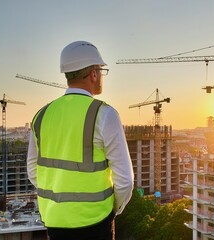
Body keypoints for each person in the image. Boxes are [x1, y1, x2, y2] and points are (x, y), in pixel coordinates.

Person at [27, 41, 134, 240]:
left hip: (54, 221)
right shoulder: (104, 114)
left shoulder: (42, 115)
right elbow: (125, 180)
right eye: (101, 71)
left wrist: (59, 202)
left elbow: (34, 171)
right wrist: (114, 210)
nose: (102, 76)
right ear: (93, 74)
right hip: (95, 223)